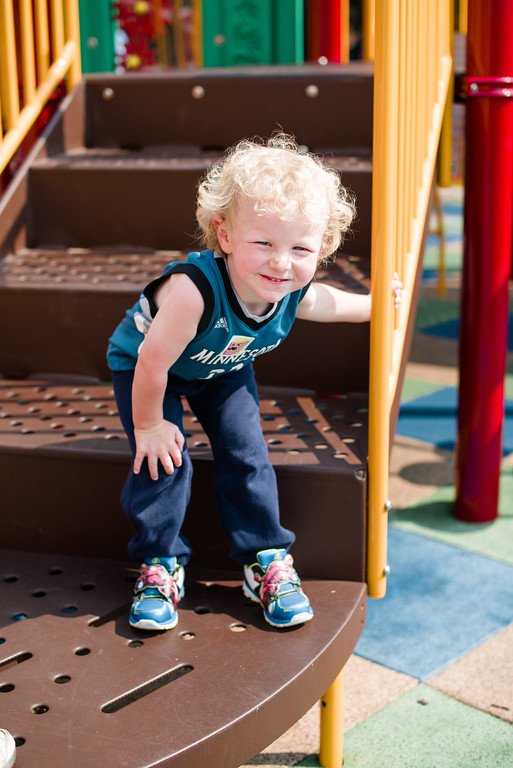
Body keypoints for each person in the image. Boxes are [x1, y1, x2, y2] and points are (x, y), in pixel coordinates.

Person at [107, 133, 401, 632]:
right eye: (262, 243)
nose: (280, 262)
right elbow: (152, 363)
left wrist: (379, 305)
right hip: (149, 373)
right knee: (163, 459)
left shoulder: (290, 287)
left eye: (300, 248)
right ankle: (160, 564)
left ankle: (264, 558)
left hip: (221, 368)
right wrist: (151, 424)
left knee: (247, 453)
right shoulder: (193, 292)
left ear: (322, 247)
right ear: (224, 236)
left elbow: (327, 303)